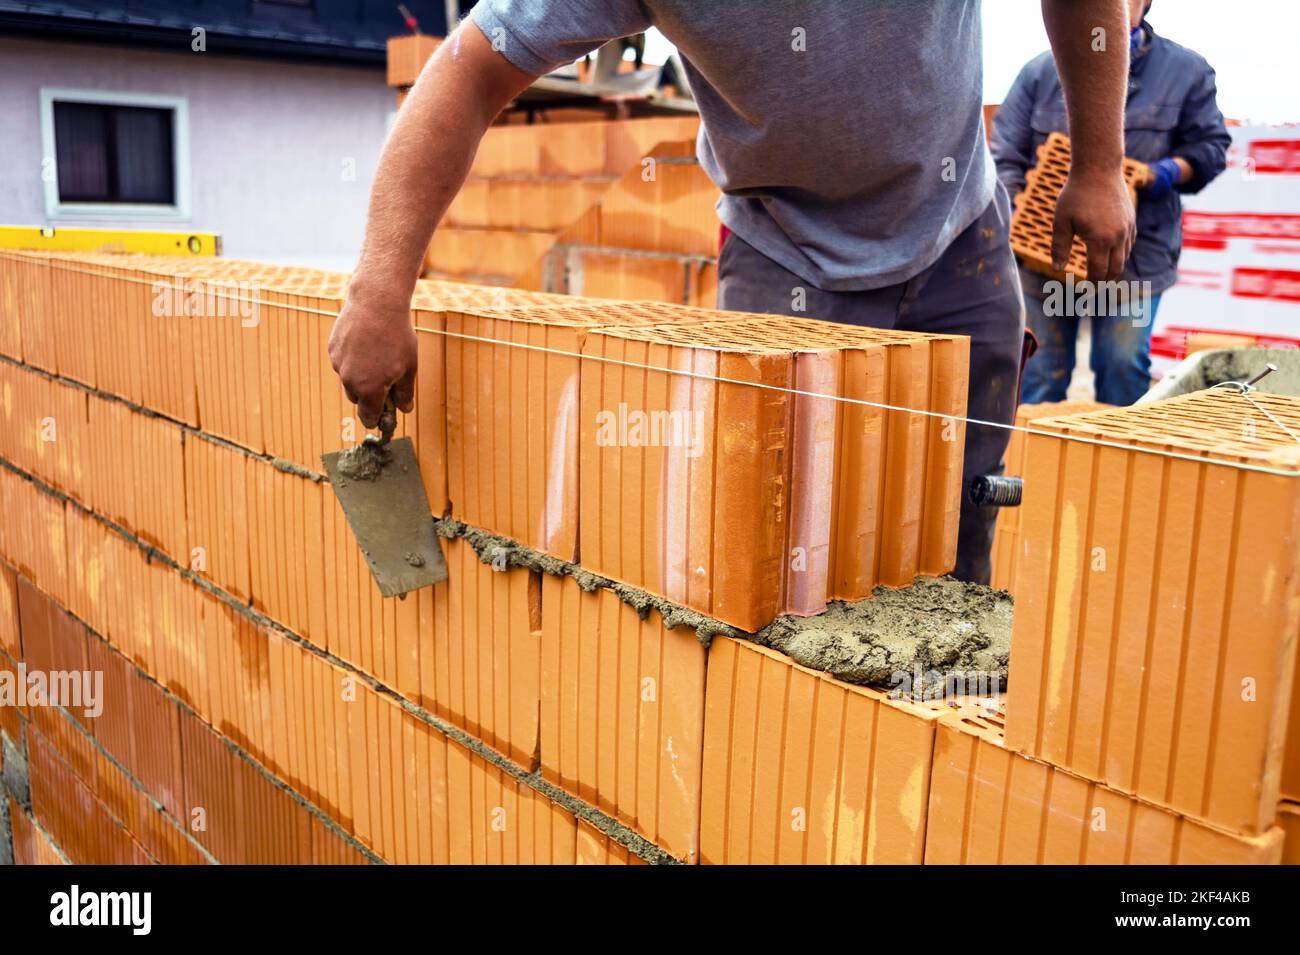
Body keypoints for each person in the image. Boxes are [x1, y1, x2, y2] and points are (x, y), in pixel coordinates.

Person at [329, 0, 1138, 584]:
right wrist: (379, 289)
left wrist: (1099, 163)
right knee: (784, 549)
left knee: (962, 510)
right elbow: (468, 75)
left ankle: (945, 734)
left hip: (958, 231)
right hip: (783, 253)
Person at [993, 0, 1230, 406]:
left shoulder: (1187, 71)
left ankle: (1116, 461)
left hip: (1134, 263)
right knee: (1038, 374)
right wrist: (1025, 206)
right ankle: (1032, 462)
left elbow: (1210, 148)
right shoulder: (1039, 72)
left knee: (1122, 369)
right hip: (1047, 261)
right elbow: (1005, 153)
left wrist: (1164, 173)